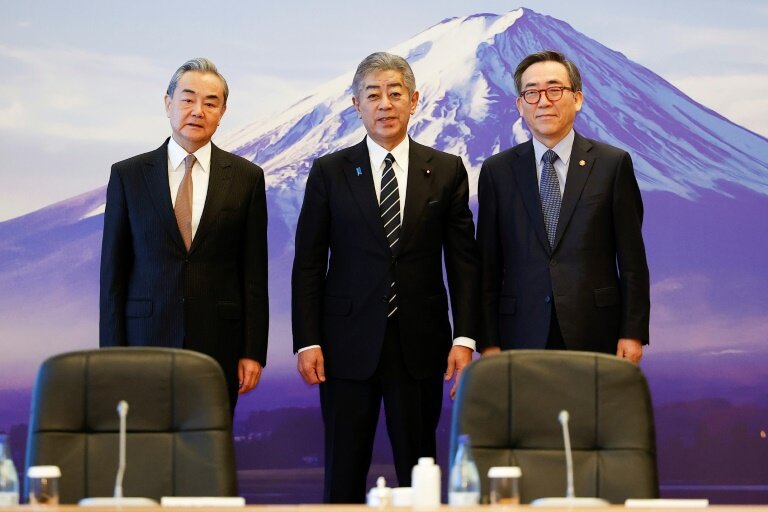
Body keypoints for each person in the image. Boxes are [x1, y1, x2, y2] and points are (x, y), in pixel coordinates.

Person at [292, 52, 479, 503]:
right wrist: (308, 340)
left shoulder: (448, 169)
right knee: (343, 470)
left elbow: (463, 261)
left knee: (419, 471)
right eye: (373, 94)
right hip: (344, 346)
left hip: (420, 343)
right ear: (356, 105)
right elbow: (309, 263)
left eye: (395, 93)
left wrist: (466, 337)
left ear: (415, 101)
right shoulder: (329, 171)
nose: (385, 103)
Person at [99, 58, 268, 410]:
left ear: (222, 112)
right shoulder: (128, 175)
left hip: (220, 344)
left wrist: (253, 351)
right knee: (147, 452)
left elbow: (254, 273)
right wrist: (112, 355)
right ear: (167, 104)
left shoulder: (246, 177)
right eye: (187, 99)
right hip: (144, 341)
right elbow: (113, 274)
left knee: (208, 454)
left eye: (210, 102)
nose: (197, 110)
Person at [476, 50, 649, 362]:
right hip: (518, 333)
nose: (543, 101)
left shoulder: (612, 164)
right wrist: (488, 340)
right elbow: (487, 265)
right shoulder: (496, 171)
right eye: (532, 93)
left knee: (590, 413)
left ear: (577, 99)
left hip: (597, 330)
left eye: (555, 90)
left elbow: (633, 260)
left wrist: (632, 332)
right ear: (520, 105)